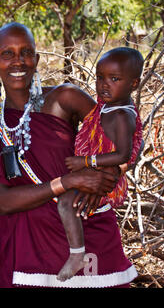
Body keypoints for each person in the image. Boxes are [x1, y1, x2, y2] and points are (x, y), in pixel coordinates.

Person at [0, 22, 138, 288]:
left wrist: (110, 173)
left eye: (26, 52)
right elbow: (2, 200)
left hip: (86, 234)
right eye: (7, 54)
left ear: (37, 60)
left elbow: (125, 138)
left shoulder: (65, 98)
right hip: (27, 246)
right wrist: (68, 182)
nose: (18, 61)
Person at [57, 47, 144, 281]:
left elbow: (123, 155)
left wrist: (86, 161)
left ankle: (77, 255)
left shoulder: (121, 116)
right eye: (100, 77)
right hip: (95, 175)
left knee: (65, 202)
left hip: (105, 181)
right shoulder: (106, 107)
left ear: (133, 84)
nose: (104, 84)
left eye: (114, 79)